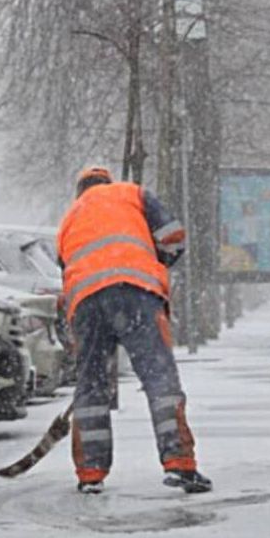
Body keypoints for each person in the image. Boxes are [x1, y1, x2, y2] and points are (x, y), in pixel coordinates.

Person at [56, 165, 211, 495]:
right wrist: (154, 260)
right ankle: (179, 461)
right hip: (136, 292)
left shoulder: (70, 217)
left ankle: (90, 471)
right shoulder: (132, 194)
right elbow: (173, 236)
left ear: (80, 191)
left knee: (91, 386)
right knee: (159, 378)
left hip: (86, 302)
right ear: (107, 182)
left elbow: (66, 270)